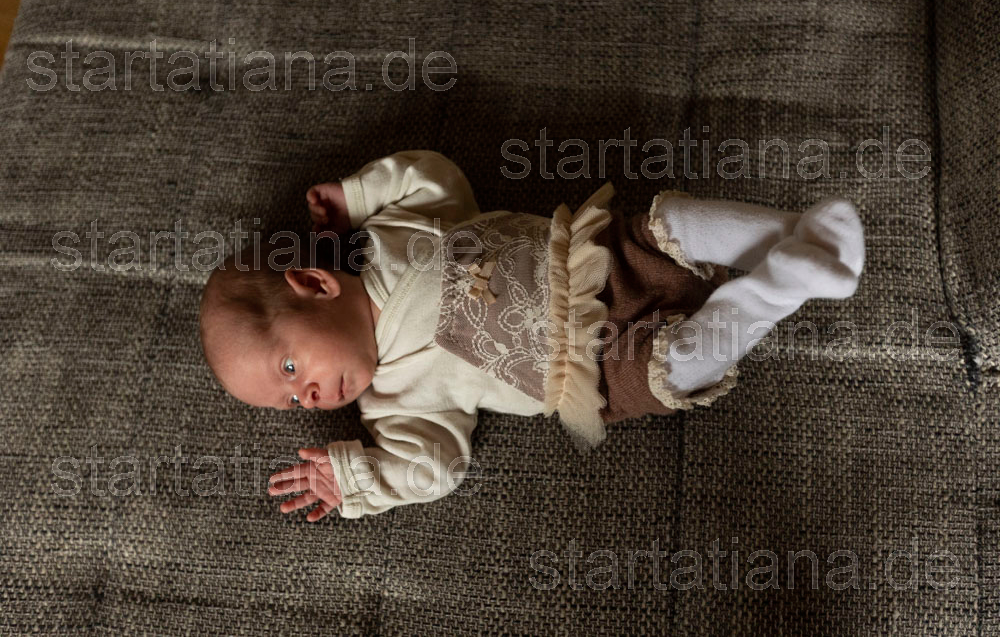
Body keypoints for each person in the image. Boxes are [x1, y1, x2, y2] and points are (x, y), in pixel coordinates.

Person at [198, 150, 864, 521]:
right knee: (678, 366)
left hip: (595, 258)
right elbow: (437, 468)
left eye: (291, 370)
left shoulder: (391, 235)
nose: (310, 398)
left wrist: (358, 196)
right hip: (594, 368)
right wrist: (357, 476)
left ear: (314, 284)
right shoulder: (394, 405)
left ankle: (796, 234)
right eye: (292, 401)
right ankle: (777, 288)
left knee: (672, 227)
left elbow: (436, 175)